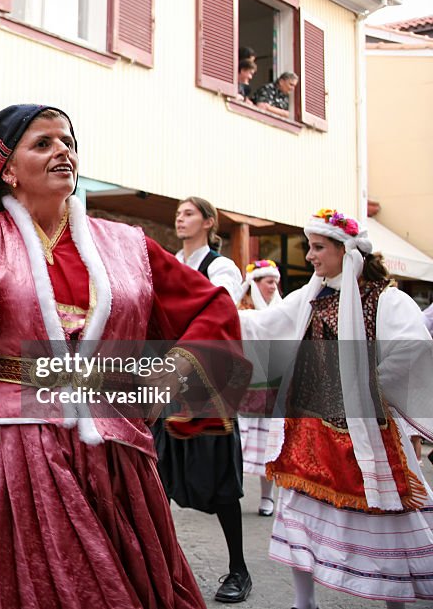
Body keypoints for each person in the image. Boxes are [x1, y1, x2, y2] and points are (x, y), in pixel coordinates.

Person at [0, 28, 249, 609]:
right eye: (42, 143)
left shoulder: (126, 243)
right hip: (15, 451)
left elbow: (212, 307)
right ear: (6, 170)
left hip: (117, 452)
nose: (62, 149)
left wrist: (177, 381)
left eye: (68, 140)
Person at [239, 209, 433, 609]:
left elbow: (415, 348)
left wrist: (371, 384)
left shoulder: (384, 299)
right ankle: (303, 602)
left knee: (379, 517)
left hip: (363, 435)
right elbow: (264, 327)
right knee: (298, 514)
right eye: (309, 247)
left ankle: (392, 603)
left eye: (318, 247)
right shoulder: (307, 298)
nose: (310, 256)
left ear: (347, 252)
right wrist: (216, 313)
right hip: (306, 430)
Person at [157, 196, 251, 603]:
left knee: (220, 482)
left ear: (209, 222)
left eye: (189, 212)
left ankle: (239, 569)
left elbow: (218, 313)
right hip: (170, 383)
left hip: (206, 386)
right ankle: (157, 565)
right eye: (178, 213)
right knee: (156, 474)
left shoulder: (221, 267)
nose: (180, 218)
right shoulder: (173, 262)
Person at [236, 259, 282, 517]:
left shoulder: (281, 310)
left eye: (276, 282)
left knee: (268, 444)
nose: (274, 286)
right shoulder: (241, 312)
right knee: (238, 445)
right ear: (254, 284)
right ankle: (231, 493)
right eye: (269, 281)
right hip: (244, 388)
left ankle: (267, 497)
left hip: (272, 389)